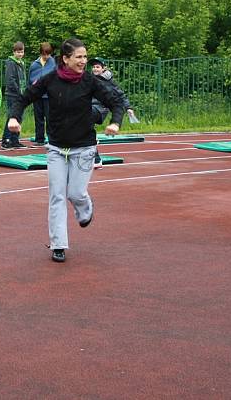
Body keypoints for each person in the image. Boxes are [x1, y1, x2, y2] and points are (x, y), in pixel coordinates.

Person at [7, 38, 124, 263]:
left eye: (85, 57)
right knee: (57, 195)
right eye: (79, 57)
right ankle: (58, 244)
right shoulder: (49, 80)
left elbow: (116, 102)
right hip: (56, 148)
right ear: (66, 59)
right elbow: (23, 98)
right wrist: (14, 117)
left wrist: (115, 123)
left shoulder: (90, 81)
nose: (83, 61)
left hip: (84, 148)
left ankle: (85, 207)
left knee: (75, 193)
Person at [89, 57, 137, 168]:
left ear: (103, 68)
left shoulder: (108, 82)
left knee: (85, 120)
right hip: (87, 107)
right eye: (93, 67)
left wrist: (128, 107)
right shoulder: (89, 79)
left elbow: (120, 96)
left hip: (100, 109)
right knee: (85, 130)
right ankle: (95, 157)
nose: (95, 69)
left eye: (98, 67)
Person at [1, 41, 28, 149]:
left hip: (21, 94)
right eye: (18, 52)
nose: (20, 54)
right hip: (12, 94)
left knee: (19, 117)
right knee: (12, 116)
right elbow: (10, 79)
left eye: (21, 52)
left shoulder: (21, 63)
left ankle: (15, 140)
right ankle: (6, 140)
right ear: (14, 52)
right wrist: (18, 91)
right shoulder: (11, 63)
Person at [28, 42, 56, 146]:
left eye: (48, 54)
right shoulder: (34, 64)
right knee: (38, 117)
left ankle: (51, 139)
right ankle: (39, 139)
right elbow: (30, 79)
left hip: (49, 96)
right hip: (37, 95)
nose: (46, 56)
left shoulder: (53, 63)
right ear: (40, 53)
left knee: (50, 118)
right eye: (44, 54)